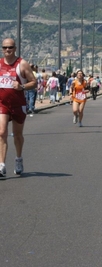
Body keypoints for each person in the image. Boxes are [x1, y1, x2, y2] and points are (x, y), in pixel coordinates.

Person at [0, 38, 37, 178]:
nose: (7, 50)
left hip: (18, 104)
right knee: (1, 132)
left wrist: (21, 86)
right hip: (2, 103)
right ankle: (1, 165)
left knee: (17, 135)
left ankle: (18, 158)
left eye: (10, 47)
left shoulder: (22, 64)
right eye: (4, 47)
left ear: (15, 48)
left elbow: (34, 82)